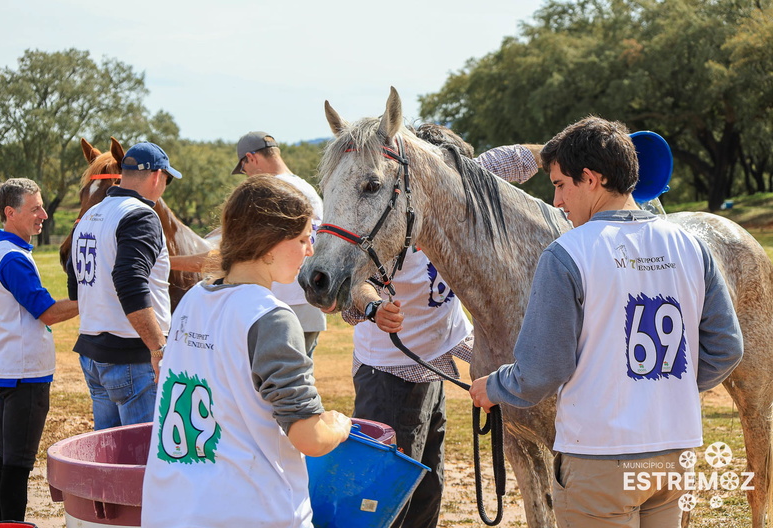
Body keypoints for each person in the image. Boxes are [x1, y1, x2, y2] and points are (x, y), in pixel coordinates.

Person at [469, 116, 744, 527]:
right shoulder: (691, 246)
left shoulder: (567, 253)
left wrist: (492, 387)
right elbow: (727, 347)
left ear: (591, 178)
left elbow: (542, 371)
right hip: (674, 454)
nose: (557, 202)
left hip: (600, 458)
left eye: (561, 184)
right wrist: (666, 389)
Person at [340, 126, 542, 528]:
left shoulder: (456, 192)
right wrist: (374, 307)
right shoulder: (397, 220)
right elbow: (352, 291)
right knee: (390, 491)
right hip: (389, 371)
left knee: (430, 482)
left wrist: (564, 152)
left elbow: (518, 159)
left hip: (436, 356)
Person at [141, 174, 351, 528]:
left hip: (173, 507)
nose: (310, 250)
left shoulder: (193, 299)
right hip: (248, 510)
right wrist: (337, 425)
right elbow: (309, 437)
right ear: (269, 245)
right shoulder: (269, 316)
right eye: (302, 239)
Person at [0, 178, 78, 521]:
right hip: (24, 373)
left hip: (7, 368)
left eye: (42, 206)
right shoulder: (13, 259)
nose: (44, 214)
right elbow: (47, 311)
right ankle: (10, 523)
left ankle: (0, 520)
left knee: (8, 458)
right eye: (35, 208)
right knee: (19, 464)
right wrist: (91, 301)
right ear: (10, 212)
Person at [68, 142, 181, 430]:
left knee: (110, 456)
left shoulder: (89, 217)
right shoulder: (141, 215)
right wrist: (157, 349)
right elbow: (130, 282)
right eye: (166, 179)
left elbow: (75, 286)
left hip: (93, 353)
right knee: (141, 458)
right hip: (132, 354)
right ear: (157, 176)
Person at [231, 131, 326, 355]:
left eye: (244, 168)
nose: (246, 176)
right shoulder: (306, 189)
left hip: (280, 305)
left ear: (251, 158)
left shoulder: (271, 191)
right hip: (307, 302)